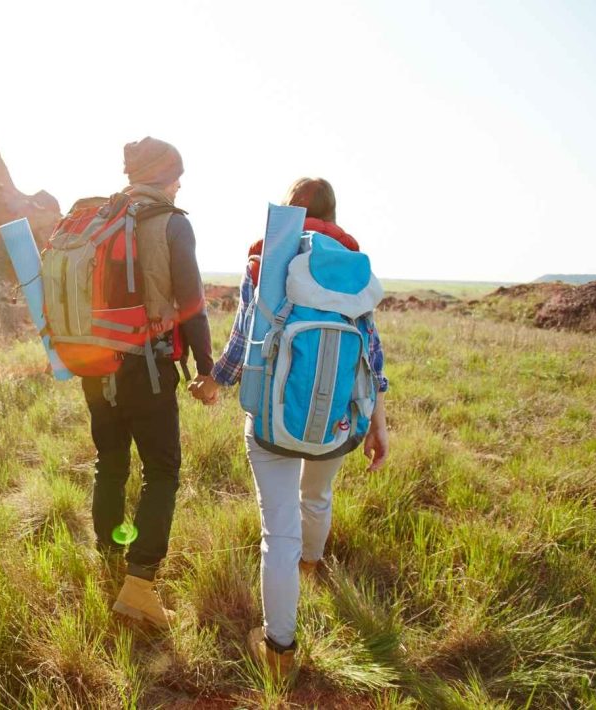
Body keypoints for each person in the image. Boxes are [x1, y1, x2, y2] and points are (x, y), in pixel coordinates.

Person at [190, 177, 391, 680]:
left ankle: (279, 649)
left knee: (277, 531)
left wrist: (215, 382)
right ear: (332, 213)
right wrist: (377, 424)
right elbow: (371, 354)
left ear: (290, 210)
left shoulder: (269, 257)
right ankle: (311, 567)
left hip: (271, 422)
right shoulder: (352, 269)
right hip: (339, 420)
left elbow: (244, 339)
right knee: (317, 498)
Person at [85, 137, 215, 630]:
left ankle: (109, 561)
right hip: (149, 366)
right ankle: (138, 585)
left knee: (110, 464)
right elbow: (192, 305)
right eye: (177, 175)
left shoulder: (102, 220)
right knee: (161, 471)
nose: (180, 184)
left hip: (97, 365)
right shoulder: (171, 224)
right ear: (164, 176)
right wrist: (206, 369)